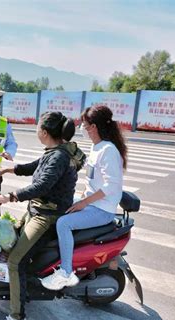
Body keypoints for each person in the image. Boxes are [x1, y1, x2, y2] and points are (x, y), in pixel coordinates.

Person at [0, 111, 85, 320]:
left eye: (38, 127)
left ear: (44, 132)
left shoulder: (59, 157)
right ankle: (24, 290)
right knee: (13, 245)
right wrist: (11, 169)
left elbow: (41, 185)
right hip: (39, 210)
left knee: (15, 261)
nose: (36, 131)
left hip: (47, 216)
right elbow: (37, 166)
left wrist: (8, 197)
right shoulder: (58, 151)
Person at [41, 105, 127, 291]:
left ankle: (65, 272)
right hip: (93, 203)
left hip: (102, 209)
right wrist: (80, 197)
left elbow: (111, 185)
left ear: (94, 127)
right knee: (56, 209)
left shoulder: (108, 150)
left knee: (64, 224)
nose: (82, 128)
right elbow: (93, 180)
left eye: (85, 125)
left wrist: (84, 203)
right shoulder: (97, 147)